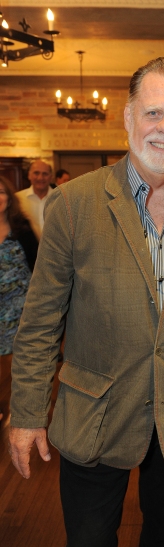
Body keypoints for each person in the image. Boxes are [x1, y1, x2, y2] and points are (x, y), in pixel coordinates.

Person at [9, 57, 164, 547]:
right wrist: (28, 414)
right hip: (94, 413)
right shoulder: (74, 203)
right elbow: (39, 321)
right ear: (126, 119)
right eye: (154, 113)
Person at [0, 175, 38, 422]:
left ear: (9, 197)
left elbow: (38, 267)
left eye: (1, 192)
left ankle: (27, 413)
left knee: (23, 363)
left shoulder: (22, 228)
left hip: (21, 309)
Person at [15, 159, 54, 240]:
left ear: (51, 177)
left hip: (55, 251)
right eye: (36, 173)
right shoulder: (18, 199)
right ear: (29, 175)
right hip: (28, 250)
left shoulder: (61, 199)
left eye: (45, 174)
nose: (40, 178)